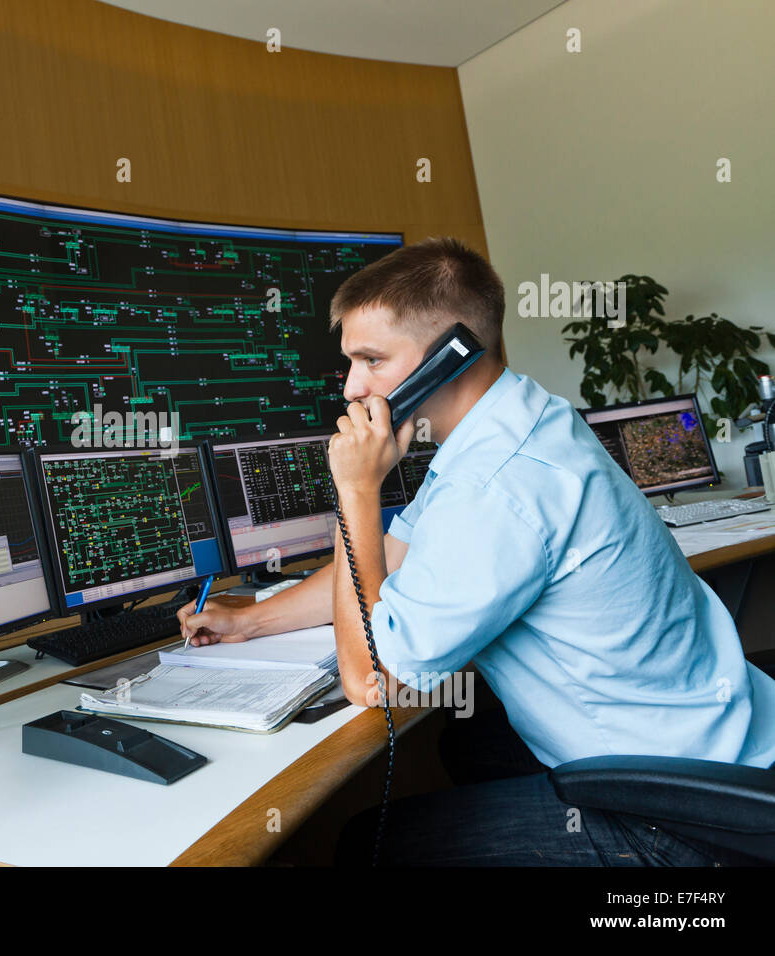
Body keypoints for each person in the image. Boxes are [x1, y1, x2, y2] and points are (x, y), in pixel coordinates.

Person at [176, 237, 775, 865]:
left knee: (363, 846)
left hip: (684, 816)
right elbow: (394, 554)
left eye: (371, 360)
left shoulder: (498, 485)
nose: (352, 387)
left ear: (451, 354)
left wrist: (355, 493)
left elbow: (374, 682)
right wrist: (249, 620)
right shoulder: (518, 421)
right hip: (726, 739)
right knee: (467, 743)